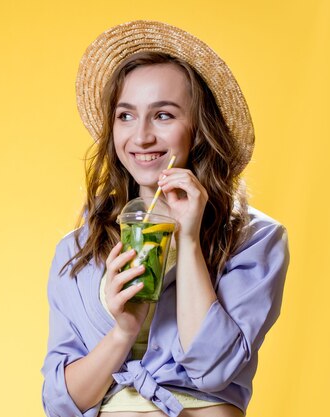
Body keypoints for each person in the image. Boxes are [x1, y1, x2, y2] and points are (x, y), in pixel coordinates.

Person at [40, 21, 289, 417]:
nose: (140, 137)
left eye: (164, 115)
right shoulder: (78, 251)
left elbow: (213, 371)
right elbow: (61, 402)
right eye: (125, 116)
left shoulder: (254, 239)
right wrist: (123, 331)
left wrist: (188, 240)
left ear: (199, 129)